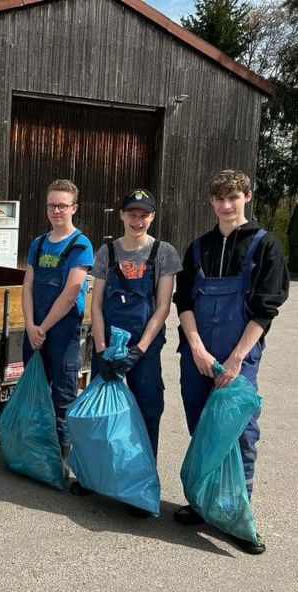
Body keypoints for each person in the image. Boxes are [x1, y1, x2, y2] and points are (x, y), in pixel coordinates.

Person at [173, 169, 289, 554]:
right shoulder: (198, 246)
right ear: (211, 202)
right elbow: (184, 302)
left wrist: (237, 358)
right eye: (219, 199)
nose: (226, 206)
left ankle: (237, 515)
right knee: (202, 430)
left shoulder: (264, 245)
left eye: (233, 198)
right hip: (198, 356)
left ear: (247, 197)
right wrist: (196, 348)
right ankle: (204, 503)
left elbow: (266, 308)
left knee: (240, 435)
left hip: (239, 357)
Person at [80, 189, 182, 513]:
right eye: (132, 213)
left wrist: (138, 350)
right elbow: (95, 305)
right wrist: (102, 349)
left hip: (144, 348)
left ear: (152, 217)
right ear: (121, 215)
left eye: (144, 214)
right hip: (106, 345)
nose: (138, 220)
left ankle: (140, 485)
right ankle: (94, 477)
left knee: (148, 411)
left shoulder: (163, 253)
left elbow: (163, 307)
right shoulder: (106, 252)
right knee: (100, 412)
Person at [22, 179, 94, 472]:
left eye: (62, 205)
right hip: (35, 328)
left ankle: (62, 454)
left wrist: (43, 327)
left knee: (63, 393)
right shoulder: (37, 244)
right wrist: (29, 325)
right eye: (51, 205)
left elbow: (71, 290)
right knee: (35, 387)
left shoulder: (80, 244)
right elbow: (27, 285)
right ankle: (35, 446)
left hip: (61, 330)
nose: (56, 210)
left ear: (73, 208)